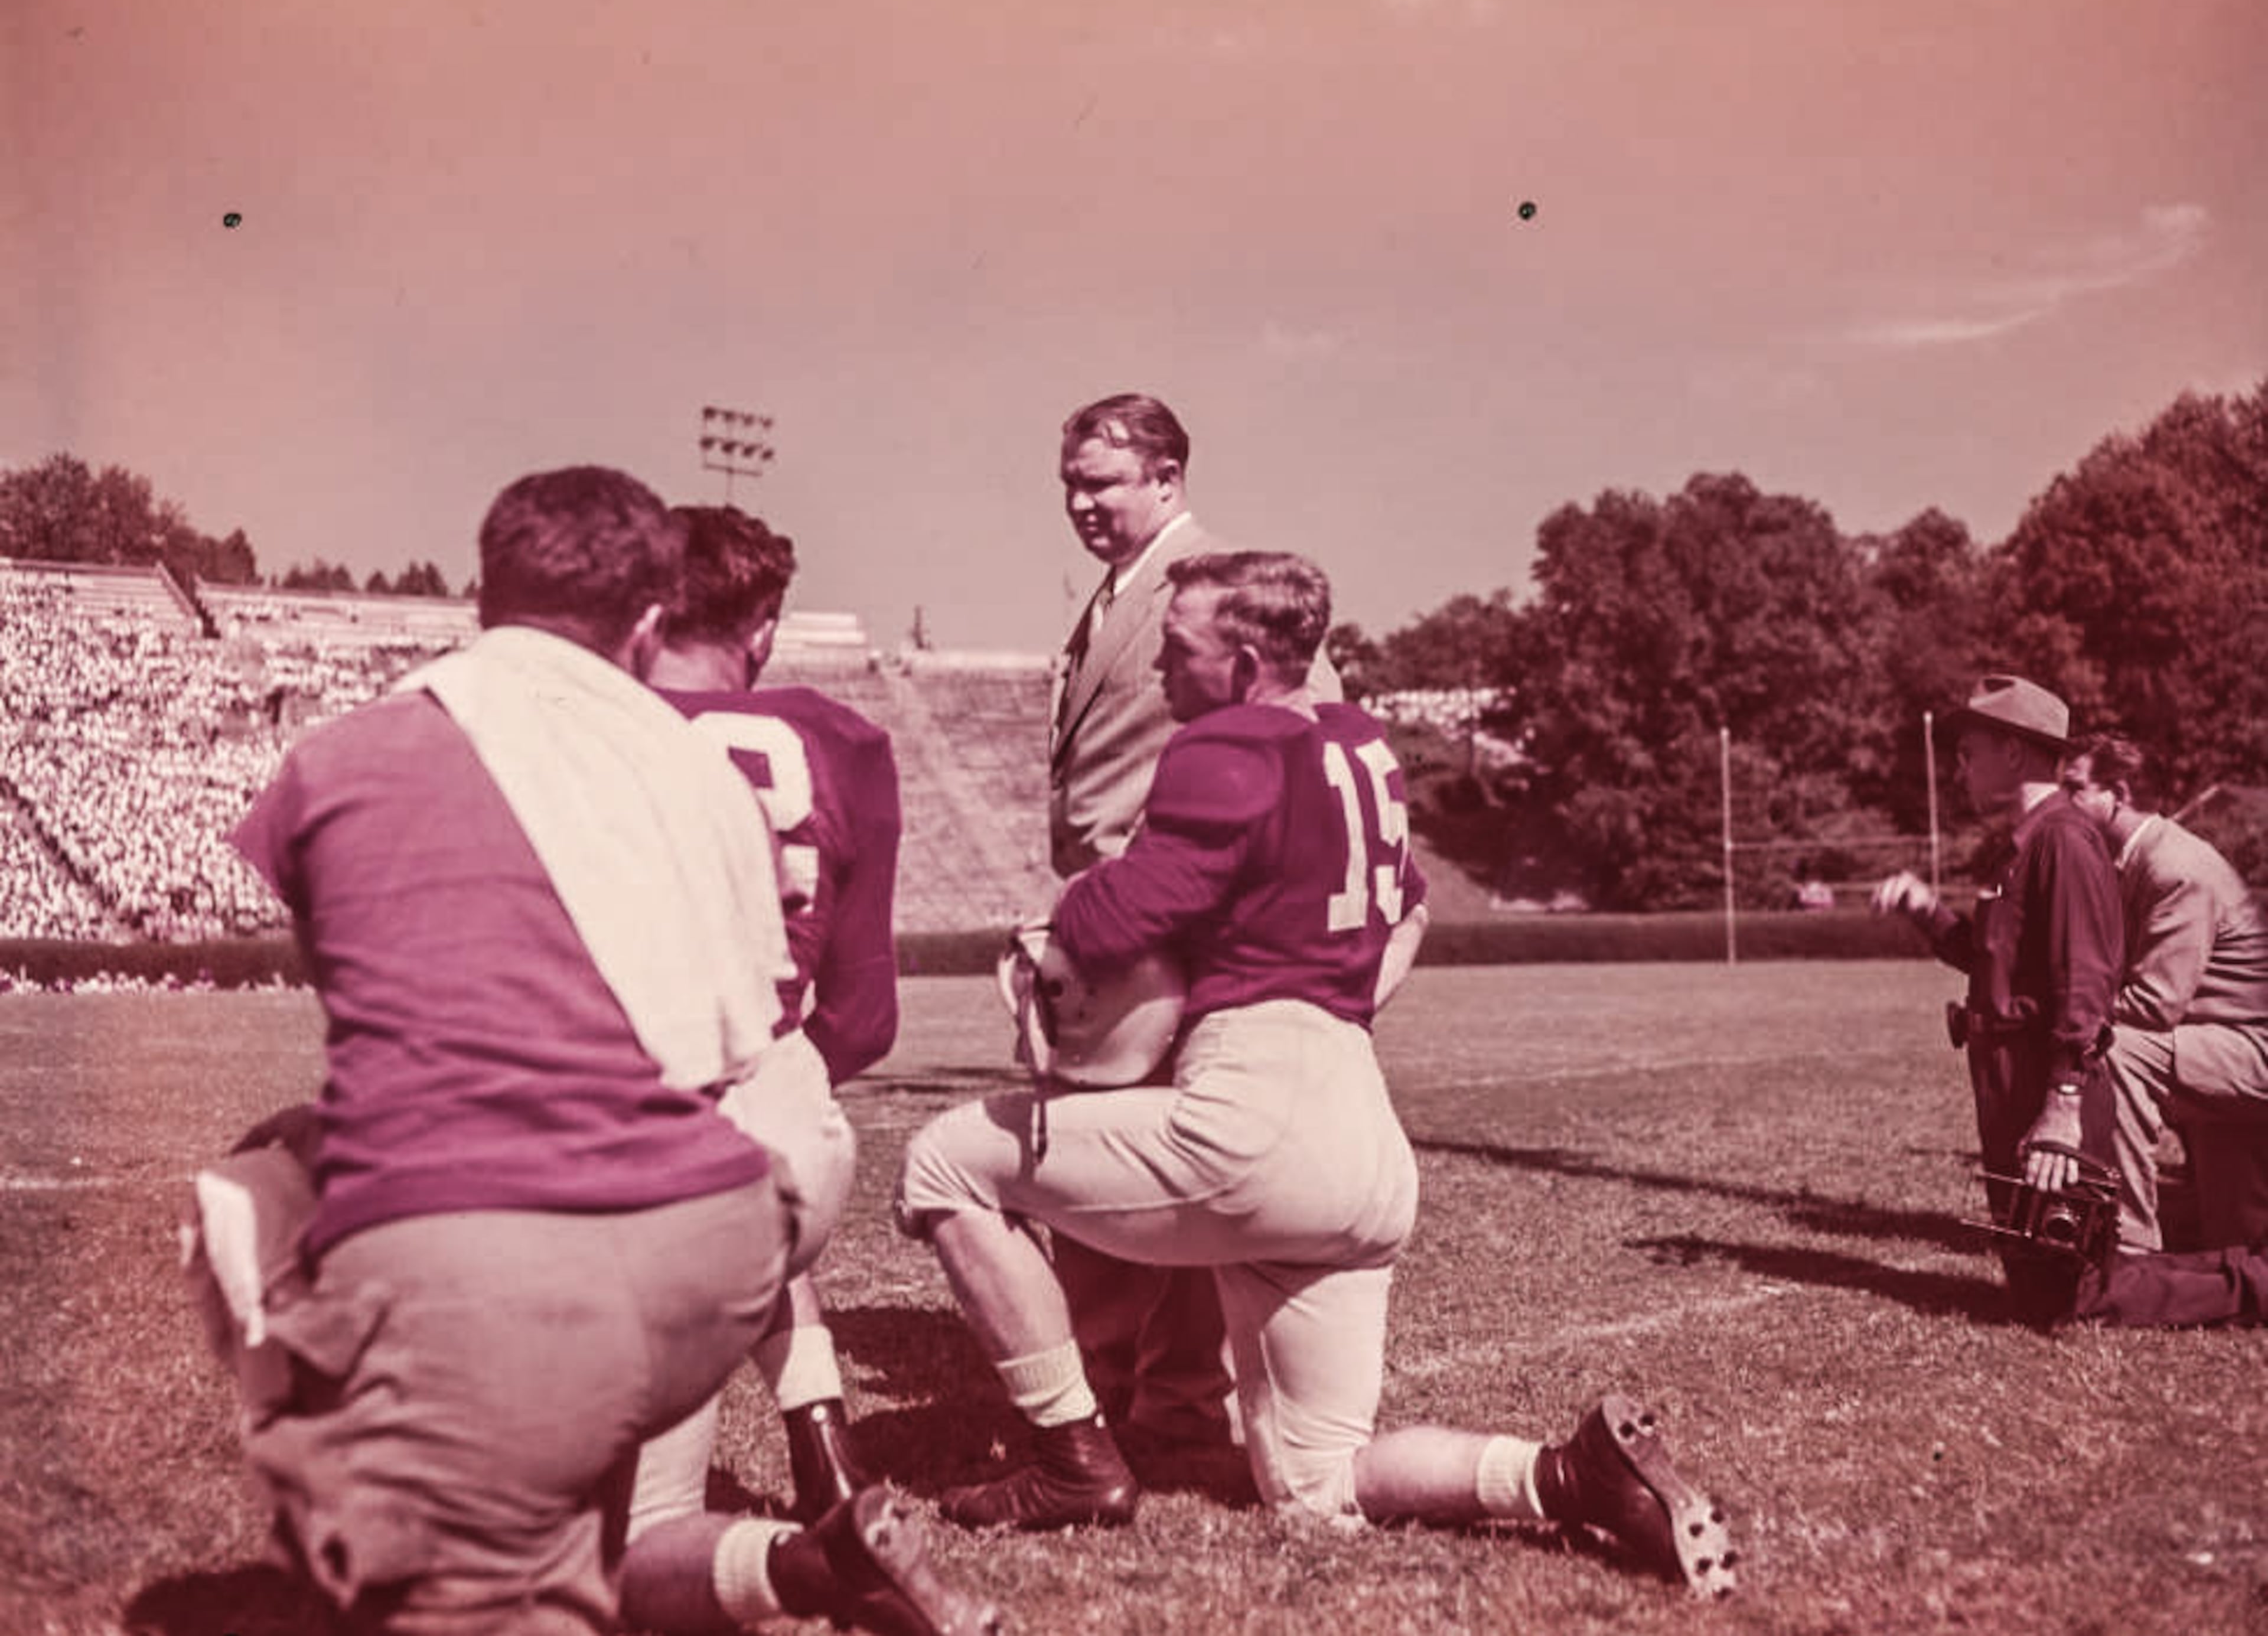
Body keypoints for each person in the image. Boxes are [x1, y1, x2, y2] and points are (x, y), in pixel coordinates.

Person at [183, 467, 990, 1636]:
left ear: (480, 594)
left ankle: (375, 1497)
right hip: (721, 1225)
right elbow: (728, 1044)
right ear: (650, 622)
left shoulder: (344, 755)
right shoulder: (699, 778)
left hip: (493, 1243)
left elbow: (367, 1001)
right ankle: (816, 1564)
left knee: (254, 1180)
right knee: (631, 1543)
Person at [897, 550, 1736, 1596]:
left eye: (1178, 648)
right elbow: (1411, 905)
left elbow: (1119, 915)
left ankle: (1073, 1461)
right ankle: (1571, 1478)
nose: (1159, 668)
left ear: (1245, 663)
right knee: (1317, 1483)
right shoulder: (1360, 744)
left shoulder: (1225, 743)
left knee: (943, 1164)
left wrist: (1051, 922)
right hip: (1360, 1128)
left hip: (1255, 1108)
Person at [1044, 392, 1344, 1471]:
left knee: (1147, 1179)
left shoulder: (1216, 584)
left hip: (1167, 927)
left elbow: (1303, 712)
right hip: (1118, 935)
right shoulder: (1116, 593)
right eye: (1071, 482)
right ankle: (1131, 1394)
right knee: (1100, 1175)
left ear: (1167, 478)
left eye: (1102, 482)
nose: (1080, 502)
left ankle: (1166, 1409)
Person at [625, 505, 904, 1567]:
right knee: (748, 1177)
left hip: (629, 1165)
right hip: (798, 1139)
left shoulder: (589, 732)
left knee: (612, 1538)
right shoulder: (842, 741)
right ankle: (825, 1452)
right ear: (765, 624)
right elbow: (868, 1016)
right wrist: (779, 1069)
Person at [1872, 674, 2126, 1325]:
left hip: (2043, 1082)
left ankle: (2250, 1279)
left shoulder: (2063, 840)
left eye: (1969, 751)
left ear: (2014, 752)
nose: (1959, 767)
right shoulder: (2023, 845)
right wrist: (1927, 912)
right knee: (2038, 1291)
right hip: (2009, 1081)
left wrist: (2063, 1103)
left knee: (2076, 1294)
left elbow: (2087, 976)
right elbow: (1993, 964)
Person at [2060, 732, 2268, 1252]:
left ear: (2120, 794)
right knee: (2234, 1244)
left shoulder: (2175, 868)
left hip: (2251, 1053)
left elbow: (2152, 1007)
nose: (2061, 803)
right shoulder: (2134, 861)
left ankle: (2127, 1246)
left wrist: (2063, 1010)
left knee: (2119, 1050)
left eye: (2074, 788)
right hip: (2218, 1048)